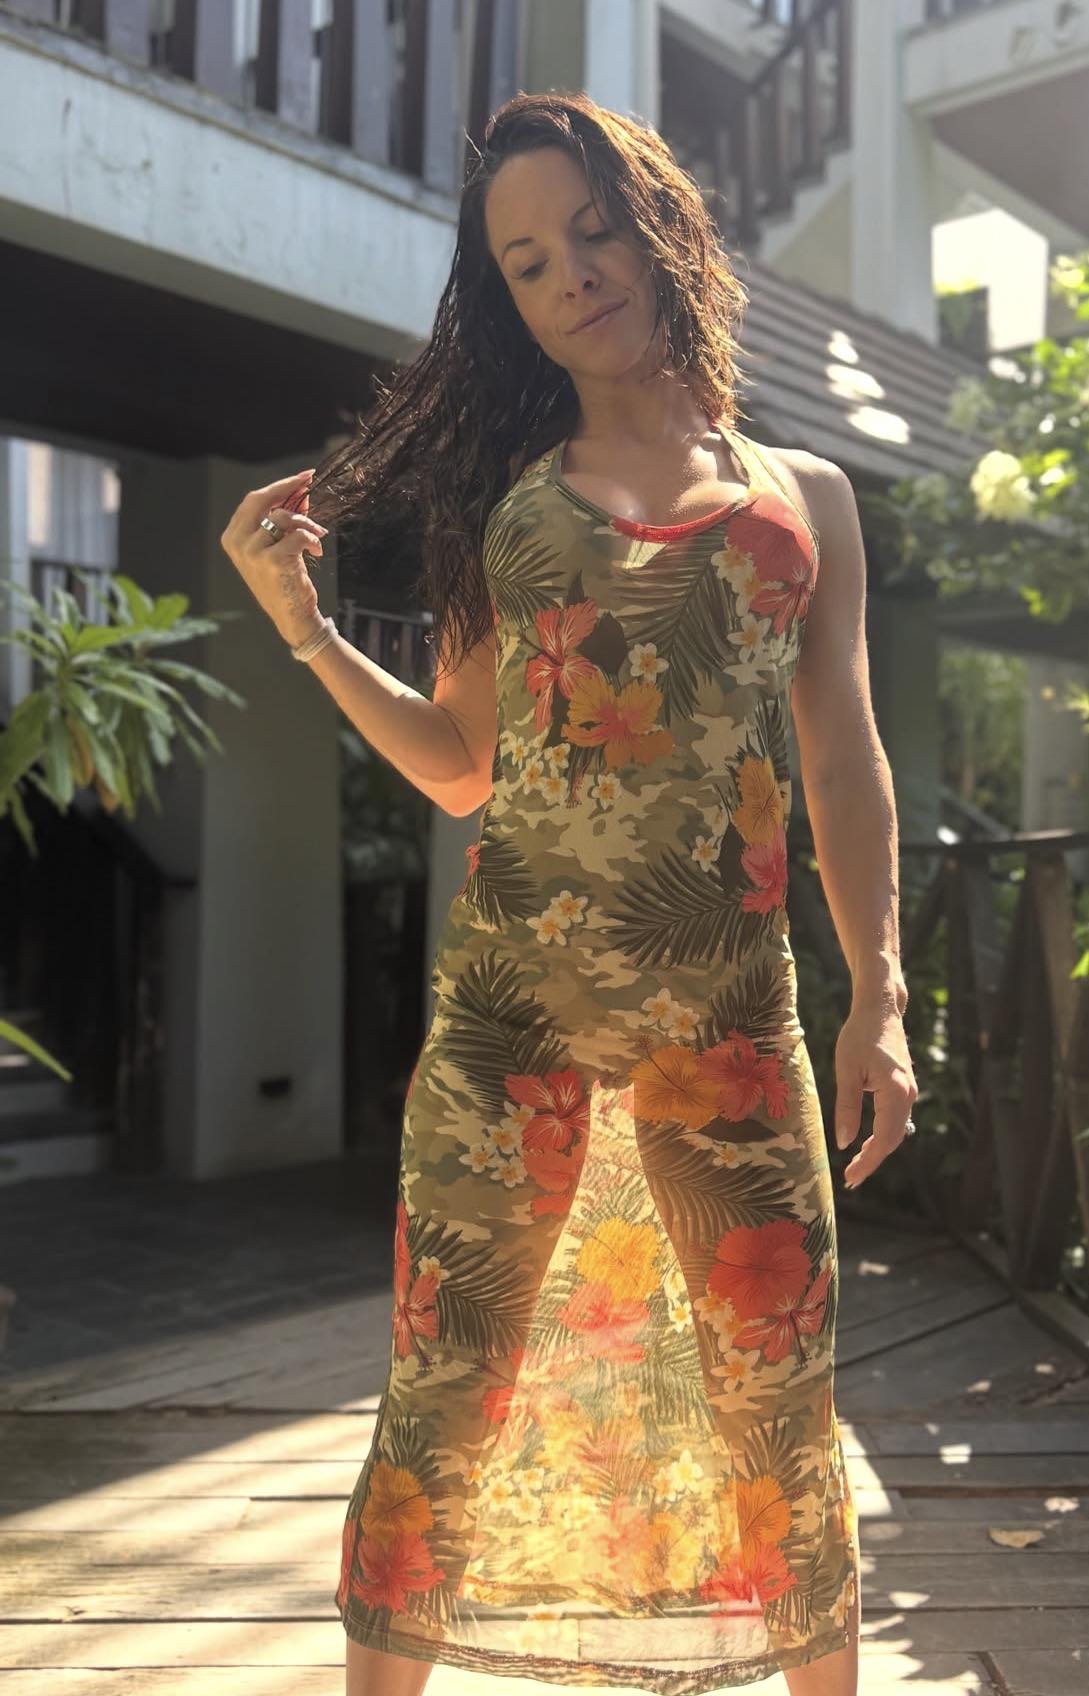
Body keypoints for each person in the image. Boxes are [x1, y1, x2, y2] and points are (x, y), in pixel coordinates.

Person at [221, 90, 918, 1696]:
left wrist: (877, 994)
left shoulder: (805, 499)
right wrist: (304, 626)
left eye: (592, 230)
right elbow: (461, 766)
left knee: (775, 1402)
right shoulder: (504, 502)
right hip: (507, 1026)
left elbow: (842, 762)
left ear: (660, 227)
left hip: (730, 1028)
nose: (572, 275)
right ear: (509, 305)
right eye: (528, 264)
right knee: (444, 1389)